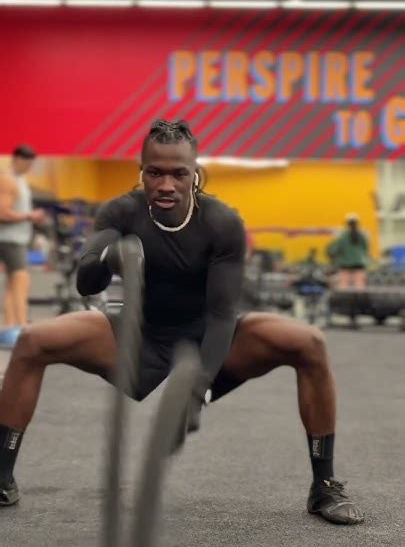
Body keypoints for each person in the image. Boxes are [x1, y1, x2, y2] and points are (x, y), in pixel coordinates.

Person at [0, 120, 364, 524]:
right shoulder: (121, 211)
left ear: (195, 173)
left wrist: (194, 393)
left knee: (309, 343)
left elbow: (221, 314)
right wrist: (105, 257)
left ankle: (324, 485)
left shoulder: (222, 222)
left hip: (210, 335)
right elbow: (87, 284)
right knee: (33, 340)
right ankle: (2, 475)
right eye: (155, 172)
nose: (166, 184)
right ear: (142, 172)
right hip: (141, 333)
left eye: (179, 173)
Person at [0, 146, 45, 328]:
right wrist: (29, 216)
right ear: (17, 159)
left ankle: (11, 327)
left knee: (13, 283)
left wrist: (30, 216)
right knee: (21, 280)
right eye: (27, 163)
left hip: (18, 238)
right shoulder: (7, 180)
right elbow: (2, 213)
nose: (29, 167)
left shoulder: (21, 179)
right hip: (9, 239)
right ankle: (21, 325)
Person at [327, 214, 369, 290]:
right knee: (360, 286)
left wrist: (333, 258)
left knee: (344, 286)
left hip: (345, 264)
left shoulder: (343, 236)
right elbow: (365, 250)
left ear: (347, 224)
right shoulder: (362, 235)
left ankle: (345, 297)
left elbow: (336, 249)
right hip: (359, 263)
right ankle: (359, 297)